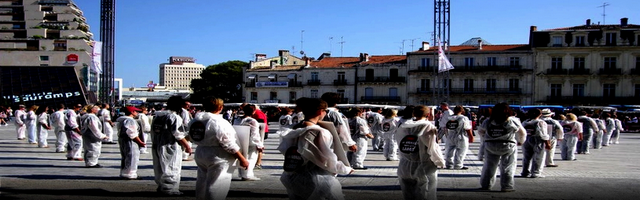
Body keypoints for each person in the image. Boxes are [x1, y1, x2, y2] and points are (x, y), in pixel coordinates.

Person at [278, 98, 354, 200]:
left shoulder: (292, 128)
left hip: (292, 175)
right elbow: (325, 159)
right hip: (316, 178)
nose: (326, 114)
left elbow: (286, 150)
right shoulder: (319, 132)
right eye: (325, 111)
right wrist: (345, 169)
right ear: (320, 111)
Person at [190, 97, 249, 200]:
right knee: (217, 184)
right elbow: (228, 143)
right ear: (220, 107)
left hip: (201, 151)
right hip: (218, 155)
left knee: (202, 181)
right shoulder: (219, 122)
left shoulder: (195, 120)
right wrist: (241, 158)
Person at [395, 105, 444, 200]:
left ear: (414, 113)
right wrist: (439, 161)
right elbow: (432, 148)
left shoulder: (401, 125)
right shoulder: (427, 126)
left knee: (408, 195)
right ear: (428, 114)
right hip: (423, 166)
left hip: (404, 164)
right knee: (426, 195)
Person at [477, 103, 526, 192]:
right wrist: (520, 141)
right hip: (508, 145)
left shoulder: (488, 121)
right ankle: (507, 186)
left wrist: (486, 137)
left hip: (490, 145)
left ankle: (486, 185)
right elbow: (522, 132)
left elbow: (480, 131)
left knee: (489, 166)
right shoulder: (513, 121)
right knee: (508, 166)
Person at [151, 96, 192, 196]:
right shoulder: (174, 117)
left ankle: (162, 186)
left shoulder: (158, 116)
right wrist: (187, 145)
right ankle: (170, 189)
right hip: (170, 145)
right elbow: (177, 134)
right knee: (172, 167)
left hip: (158, 144)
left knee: (160, 167)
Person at [233, 105, 264, 181]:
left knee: (243, 157)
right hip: (251, 141)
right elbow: (255, 134)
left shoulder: (237, 119)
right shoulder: (252, 121)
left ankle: (242, 173)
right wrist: (259, 145)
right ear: (253, 112)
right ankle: (248, 175)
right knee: (251, 157)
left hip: (239, 140)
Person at [118, 106, 146, 179]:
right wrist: (140, 142)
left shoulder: (122, 120)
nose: (137, 113)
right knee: (132, 156)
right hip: (130, 141)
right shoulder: (130, 121)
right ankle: (130, 173)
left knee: (126, 156)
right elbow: (132, 133)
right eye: (136, 111)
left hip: (123, 140)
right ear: (132, 112)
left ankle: (124, 172)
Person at [520, 109, 550, 178]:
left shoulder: (525, 122)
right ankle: (536, 172)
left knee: (526, 157)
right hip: (537, 139)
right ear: (540, 114)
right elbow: (543, 134)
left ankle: (525, 172)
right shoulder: (540, 122)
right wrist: (547, 143)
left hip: (526, 139)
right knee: (538, 156)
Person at [444, 105, 474, 170]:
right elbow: (467, 128)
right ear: (462, 111)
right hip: (461, 136)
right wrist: (471, 136)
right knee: (461, 151)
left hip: (450, 136)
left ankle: (449, 165)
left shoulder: (449, 118)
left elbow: (445, 128)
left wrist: (447, 135)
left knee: (449, 150)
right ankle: (458, 165)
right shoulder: (463, 118)